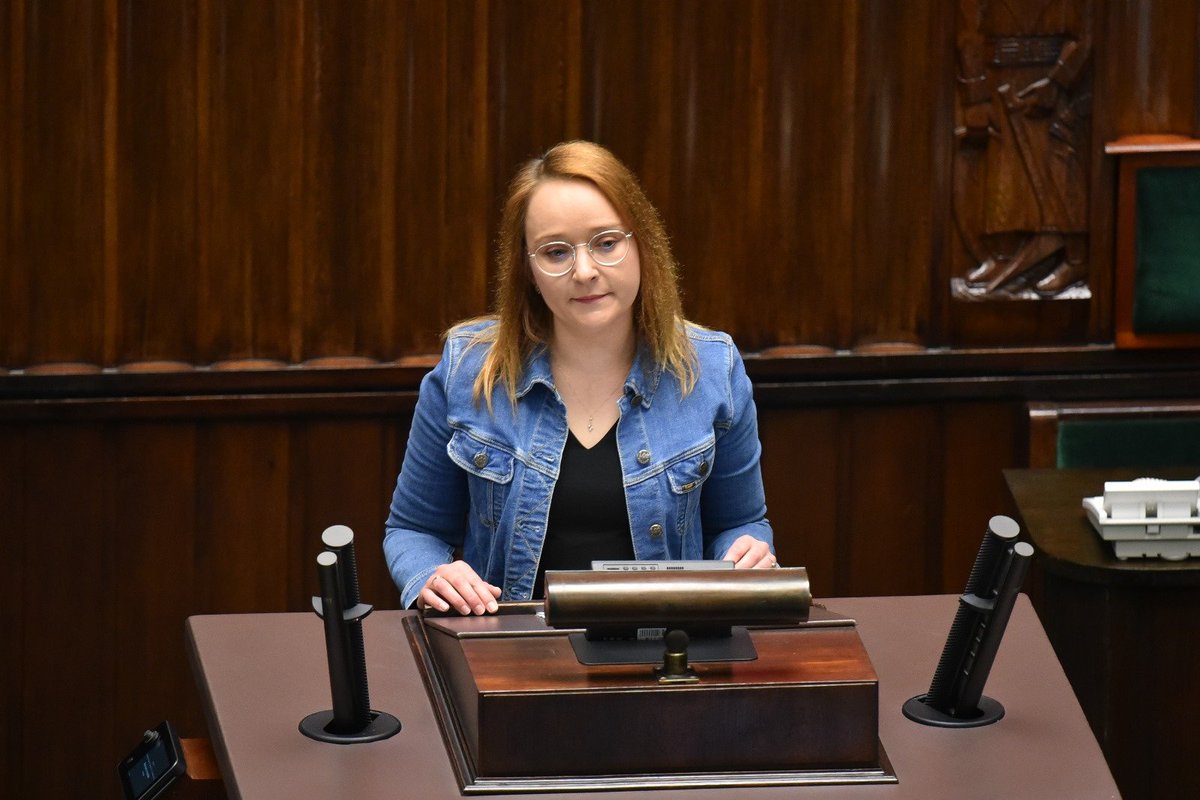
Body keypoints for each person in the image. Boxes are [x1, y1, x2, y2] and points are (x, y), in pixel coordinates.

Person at [384, 140, 774, 615]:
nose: (585, 271)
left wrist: (747, 550)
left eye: (606, 243)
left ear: (642, 244)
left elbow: (741, 522)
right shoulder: (469, 369)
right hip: (509, 660)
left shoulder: (713, 369)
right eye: (555, 252)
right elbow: (412, 530)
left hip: (667, 659)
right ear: (528, 271)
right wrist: (429, 575)